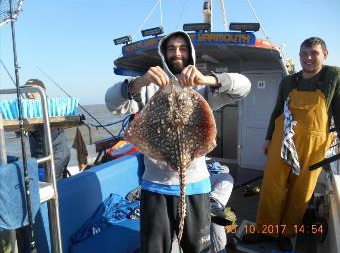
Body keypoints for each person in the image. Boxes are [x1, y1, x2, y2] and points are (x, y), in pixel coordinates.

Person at [105, 31, 251, 252]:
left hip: (195, 186)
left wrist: (207, 79)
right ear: (164, 54)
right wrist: (139, 82)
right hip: (155, 187)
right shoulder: (149, 89)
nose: (177, 53)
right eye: (171, 48)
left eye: (182, 48)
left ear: (189, 53)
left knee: (199, 248)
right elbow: (111, 103)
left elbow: (244, 86)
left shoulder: (201, 90)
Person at [243, 37, 340, 251]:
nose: (308, 57)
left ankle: (286, 233)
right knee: (272, 186)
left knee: (301, 191)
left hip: (314, 145)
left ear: (325, 54)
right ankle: (265, 230)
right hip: (281, 140)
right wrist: (268, 138)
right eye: (304, 53)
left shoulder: (332, 77)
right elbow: (277, 111)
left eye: (313, 53)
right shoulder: (288, 82)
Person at [24, 79, 71, 180]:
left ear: (43, 91)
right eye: (26, 92)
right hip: (39, 158)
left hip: (56, 156)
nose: (28, 95)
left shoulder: (53, 108)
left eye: (33, 91)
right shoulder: (27, 110)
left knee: (52, 185)